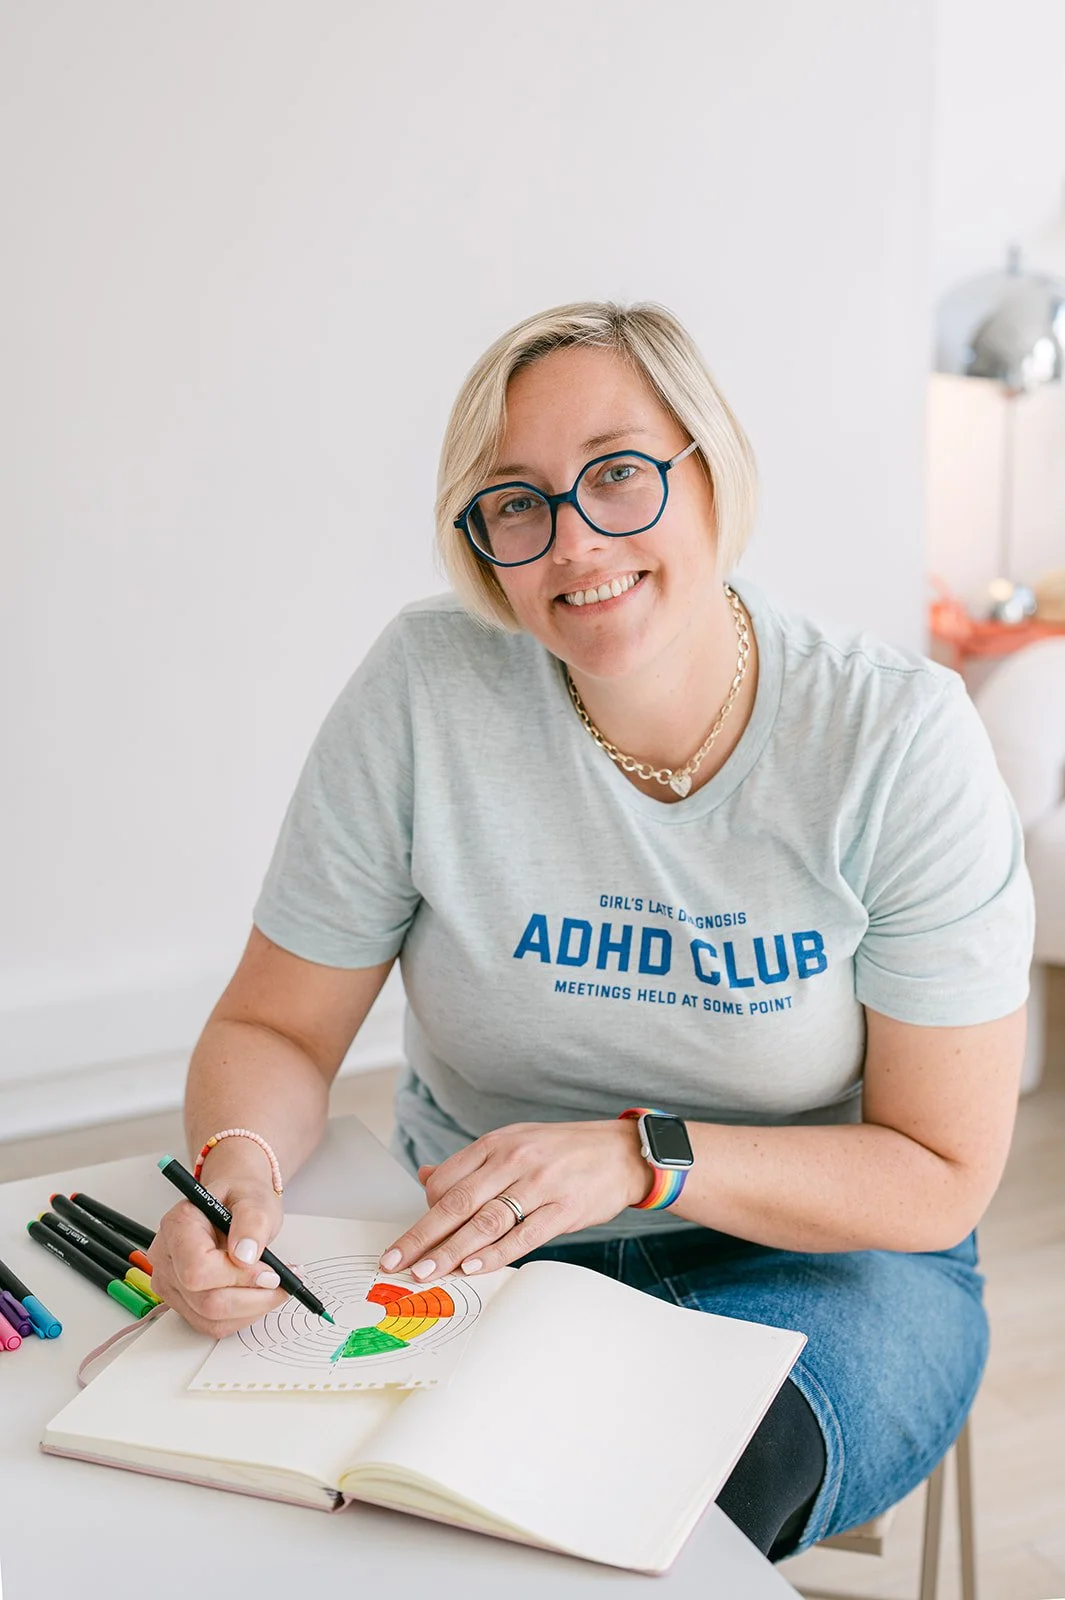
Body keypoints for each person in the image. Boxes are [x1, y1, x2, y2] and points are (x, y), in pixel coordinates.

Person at [148, 301, 1034, 1560]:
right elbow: (274, 1024)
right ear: (486, 544)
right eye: (517, 502)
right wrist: (236, 1168)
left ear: (710, 470)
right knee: (356, 1533)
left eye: (618, 474)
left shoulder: (896, 743)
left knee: (635, 1520)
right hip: (480, 1253)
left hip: (828, 1269)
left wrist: (643, 1156)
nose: (574, 542)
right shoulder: (425, 692)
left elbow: (941, 1168)